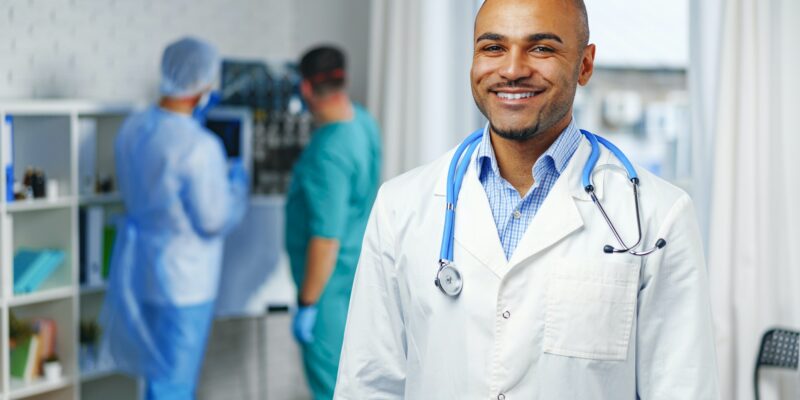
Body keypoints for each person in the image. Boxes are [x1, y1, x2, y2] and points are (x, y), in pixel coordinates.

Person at [334, 0, 719, 398]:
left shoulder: (657, 216)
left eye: (541, 48)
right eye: (493, 48)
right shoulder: (401, 206)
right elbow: (368, 383)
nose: (513, 69)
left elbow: (683, 388)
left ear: (585, 64)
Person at [100, 37, 248, 400]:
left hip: (140, 270)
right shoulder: (199, 146)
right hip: (184, 282)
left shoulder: (133, 129)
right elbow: (213, 219)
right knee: (174, 384)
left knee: (155, 377)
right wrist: (237, 186)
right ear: (202, 85)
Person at [285, 46, 381, 400]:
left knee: (332, 388)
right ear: (345, 79)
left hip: (328, 292)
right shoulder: (363, 122)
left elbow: (326, 239)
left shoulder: (328, 152)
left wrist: (308, 303)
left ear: (306, 89)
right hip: (355, 278)